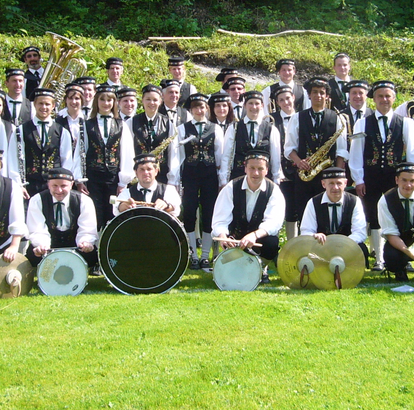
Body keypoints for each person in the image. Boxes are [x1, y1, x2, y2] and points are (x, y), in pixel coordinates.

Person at [349, 80, 414, 271]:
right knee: (374, 215)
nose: (384, 99)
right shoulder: (362, 123)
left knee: (400, 216)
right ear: (373, 99)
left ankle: (405, 257)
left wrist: (411, 177)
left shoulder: (405, 123)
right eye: (380, 96)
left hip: (396, 178)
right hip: (371, 177)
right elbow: (356, 153)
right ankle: (379, 258)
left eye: (388, 96)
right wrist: (359, 179)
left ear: (394, 98)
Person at [212, 150, 286, 281]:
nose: (255, 173)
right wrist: (223, 237)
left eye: (260, 169)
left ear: (266, 170)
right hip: (234, 240)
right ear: (245, 168)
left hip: (258, 240)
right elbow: (219, 220)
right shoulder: (231, 188)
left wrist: (254, 235)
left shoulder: (274, 191)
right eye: (252, 168)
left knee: (271, 242)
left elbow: (274, 223)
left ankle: (261, 268)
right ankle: (236, 264)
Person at [285, 77, 349, 226]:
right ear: (309, 95)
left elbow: (341, 150)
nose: (318, 96)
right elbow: (289, 147)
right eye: (314, 92)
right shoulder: (297, 117)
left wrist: (338, 173)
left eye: (322, 92)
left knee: (325, 214)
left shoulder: (337, 118)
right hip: (305, 174)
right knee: (304, 213)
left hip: (327, 175)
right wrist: (299, 162)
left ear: (327, 96)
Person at [174, 93, 225, 270]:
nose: (199, 110)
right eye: (195, 107)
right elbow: (179, 156)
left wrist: (221, 179)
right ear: (191, 109)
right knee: (189, 211)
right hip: (190, 174)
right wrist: (176, 179)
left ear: (207, 108)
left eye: (202, 107)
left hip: (210, 175)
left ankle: (205, 256)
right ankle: (193, 255)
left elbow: (220, 154)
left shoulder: (215, 128)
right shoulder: (182, 129)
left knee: (209, 212)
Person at [80, 82, 134, 230]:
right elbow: (80, 152)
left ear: (114, 102)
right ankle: (95, 242)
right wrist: (80, 179)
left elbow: (127, 153)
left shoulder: (121, 125)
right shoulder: (86, 125)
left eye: (109, 100)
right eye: (102, 99)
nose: (106, 103)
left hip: (113, 177)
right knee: (94, 213)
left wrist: (123, 182)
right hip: (93, 178)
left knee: (112, 212)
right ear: (96, 101)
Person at [5, 87, 75, 200]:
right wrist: (19, 184)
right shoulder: (21, 130)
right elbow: (14, 159)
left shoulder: (62, 131)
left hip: (54, 185)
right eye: (40, 103)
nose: (44, 107)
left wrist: (62, 183)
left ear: (53, 106)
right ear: (34, 105)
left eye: (47, 104)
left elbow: (66, 160)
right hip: (29, 185)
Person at [25, 168, 98, 269]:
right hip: (49, 244)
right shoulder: (37, 200)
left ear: (71, 184)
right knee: (33, 256)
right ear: (48, 184)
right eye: (54, 186)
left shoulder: (84, 201)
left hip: (75, 244)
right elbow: (37, 229)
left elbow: (87, 228)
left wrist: (85, 242)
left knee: (91, 256)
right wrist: (42, 245)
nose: (59, 190)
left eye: (63, 186)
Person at [299, 167, 369, 265]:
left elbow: (359, 232)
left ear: (345, 183)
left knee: (361, 249)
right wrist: (315, 236)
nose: (335, 187)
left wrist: (342, 244)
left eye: (339, 183)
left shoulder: (354, 201)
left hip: (346, 247)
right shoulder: (313, 202)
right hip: (321, 246)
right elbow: (306, 231)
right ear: (323, 184)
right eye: (331, 183)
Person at [222, 90, 282, 183]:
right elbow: (227, 155)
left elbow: (275, 157)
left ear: (262, 105)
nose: (254, 107)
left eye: (257, 103)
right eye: (250, 103)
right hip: (239, 178)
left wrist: (276, 179)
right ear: (244, 105)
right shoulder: (234, 128)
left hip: (264, 179)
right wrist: (223, 180)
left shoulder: (271, 129)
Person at [128, 84, 179, 186]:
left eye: (155, 100)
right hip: (139, 174)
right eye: (148, 99)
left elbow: (173, 152)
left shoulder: (168, 123)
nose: (151, 103)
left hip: (161, 174)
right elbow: (128, 151)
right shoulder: (131, 122)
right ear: (142, 100)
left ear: (160, 101)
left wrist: (172, 178)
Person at [269, 86, 300, 240]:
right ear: (277, 103)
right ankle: (289, 243)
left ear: (293, 98)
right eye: (281, 100)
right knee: (287, 208)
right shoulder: (271, 120)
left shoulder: (302, 117)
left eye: (288, 98)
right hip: (282, 172)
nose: (286, 102)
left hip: (302, 169)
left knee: (301, 207)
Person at [114, 154, 181, 216]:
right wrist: (122, 206)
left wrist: (167, 206)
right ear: (136, 172)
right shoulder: (127, 192)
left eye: (149, 169)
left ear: (156, 171)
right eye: (142, 169)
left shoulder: (168, 190)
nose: (146, 173)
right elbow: (116, 210)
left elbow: (177, 210)